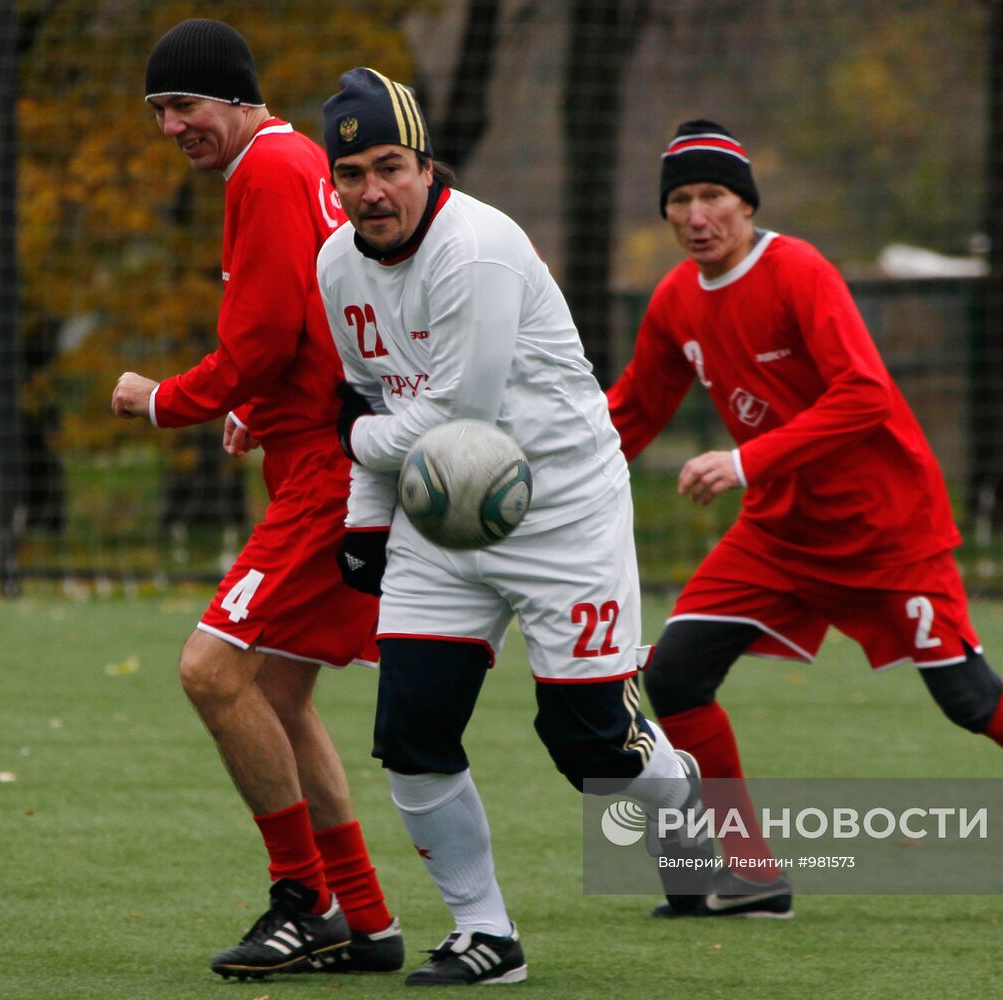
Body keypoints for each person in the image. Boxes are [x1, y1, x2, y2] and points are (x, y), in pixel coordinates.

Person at [605, 119, 1003, 922]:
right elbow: (631, 410)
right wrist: (542, 471)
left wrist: (747, 461)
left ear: (744, 202)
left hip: (884, 531)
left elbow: (864, 393)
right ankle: (751, 872)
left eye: (714, 196)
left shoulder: (797, 271)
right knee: (674, 676)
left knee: (968, 700)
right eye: (681, 200)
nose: (697, 215)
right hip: (777, 535)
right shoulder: (672, 301)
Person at [317, 68, 710, 987]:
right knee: (409, 732)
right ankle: (483, 934)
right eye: (351, 174)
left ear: (425, 164)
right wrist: (367, 521)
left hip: (560, 513)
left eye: (391, 165)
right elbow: (375, 395)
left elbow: (459, 420)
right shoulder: (337, 264)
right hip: (438, 518)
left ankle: (678, 793)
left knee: (589, 749)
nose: (372, 190)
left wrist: (354, 442)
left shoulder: (479, 248)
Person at [110, 19, 401, 980]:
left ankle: (302, 897)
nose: (171, 126)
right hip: (320, 449)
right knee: (277, 689)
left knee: (209, 670)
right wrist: (266, 408)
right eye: (159, 111)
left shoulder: (267, 171)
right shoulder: (294, 163)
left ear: (237, 97)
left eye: (185, 105)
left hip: (329, 475)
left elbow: (267, 332)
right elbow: (314, 318)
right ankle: (364, 918)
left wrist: (167, 403)